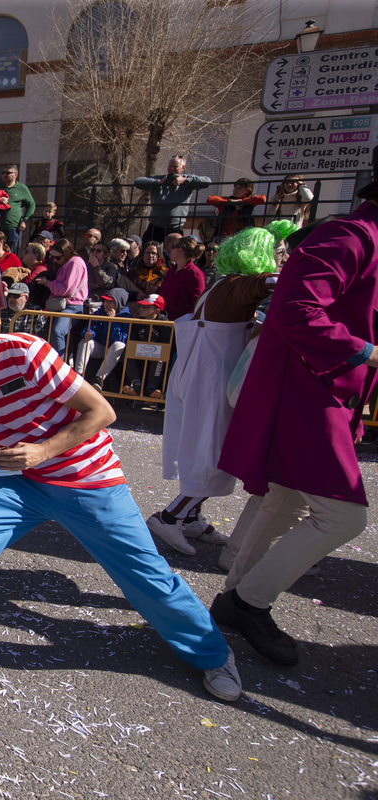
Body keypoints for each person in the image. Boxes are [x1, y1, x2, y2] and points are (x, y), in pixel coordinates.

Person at [0, 283, 242, 703]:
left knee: (142, 573)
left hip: (86, 475)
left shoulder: (25, 352)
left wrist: (40, 450)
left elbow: (102, 412)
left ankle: (213, 654)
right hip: (20, 483)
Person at [211, 184, 378, 668]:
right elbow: (294, 309)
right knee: (344, 517)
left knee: (283, 498)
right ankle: (247, 604)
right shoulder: (351, 235)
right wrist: (367, 352)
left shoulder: (360, 236)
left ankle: (236, 598)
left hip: (322, 391)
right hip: (308, 393)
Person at [147, 221, 291, 558]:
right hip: (208, 381)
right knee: (214, 452)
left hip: (203, 376)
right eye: (280, 253)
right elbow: (277, 282)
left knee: (209, 448)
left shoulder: (227, 285)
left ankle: (191, 516)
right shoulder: (240, 285)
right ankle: (169, 517)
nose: (285, 259)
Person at [134, 156, 211, 243]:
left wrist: (186, 180)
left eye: (175, 166)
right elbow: (137, 182)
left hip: (175, 227)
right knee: (146, 249)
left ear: (183, 167)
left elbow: (207, 181)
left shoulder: (186, 181)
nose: (171, 169)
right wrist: (158, 182)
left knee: (175, 252)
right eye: (170, 166)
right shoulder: (160, 179)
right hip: (155, 225)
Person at [35, 237, 87, 356]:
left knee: (57, 332)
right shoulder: (67, 264)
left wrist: (48, 283)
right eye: (53, 257)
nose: (56, 260)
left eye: (58, 257)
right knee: (52, 333)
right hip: (62, 305)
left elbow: (67, 289)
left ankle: (60, 365)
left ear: (67, 252)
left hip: (72, 306)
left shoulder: (75, 262)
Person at [73, 288, 130, 386]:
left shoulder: (126, 316)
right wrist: (88, 333)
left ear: (119, 303)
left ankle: (99, 379)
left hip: (114, 351)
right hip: (100, 347)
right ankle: (79, 374)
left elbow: (119, 338)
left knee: (119, 345)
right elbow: (91, 327)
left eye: (111, 302)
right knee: (86, 342)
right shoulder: (100, 312)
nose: (107, 304)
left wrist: (112, 320)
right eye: (106, 301)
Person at [122, 295, 169, 399]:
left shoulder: (166, 324)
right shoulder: (137, 321)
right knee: (127, 352)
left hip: (157, 356)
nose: (142, 309)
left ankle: (152, 389)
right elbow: (132, 341)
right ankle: (136, 384)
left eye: (147, 307)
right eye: (142, 306)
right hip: (140, 353)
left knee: (160, 357)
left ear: (157, 311)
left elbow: (165, 345)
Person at [158, 236, 206, 321]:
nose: (170, 250)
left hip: (181, 325)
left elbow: (198, 303)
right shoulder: (171, 271)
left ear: (180, 250)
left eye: (173, 247)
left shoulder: (195, 274)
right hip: (164, 321)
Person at [0, 164, 35, 252]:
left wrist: (25, 220)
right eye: (3, 173)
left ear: (16, 175)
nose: (4, 175)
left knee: (9, 252)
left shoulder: (21, 188)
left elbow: (31, 204)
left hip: (12, 228)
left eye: (8, 173)